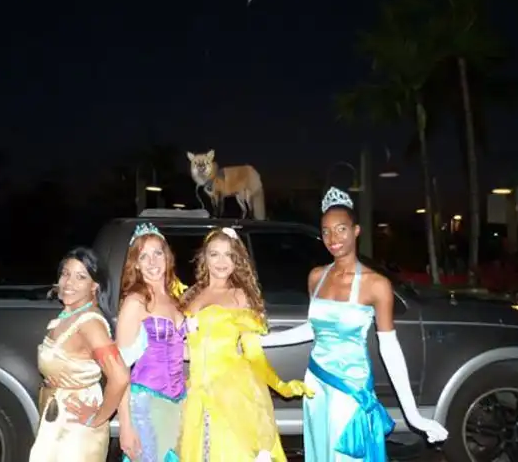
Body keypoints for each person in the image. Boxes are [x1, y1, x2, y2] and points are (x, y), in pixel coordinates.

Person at [262, 187, 448, 461]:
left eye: (341, 229)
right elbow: (315, 329)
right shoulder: (316, 277)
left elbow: (389, 348)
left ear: (356, 230)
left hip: (349, 389)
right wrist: (262, 340)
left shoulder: (376, 284)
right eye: (326, 231)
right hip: (315, 385)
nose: (333, 239)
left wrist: (413, 415)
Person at [178, 227, 313, 462]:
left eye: (229, 255)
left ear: (237, 261)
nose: (221, 262)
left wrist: (282, 386)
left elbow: (254, 354)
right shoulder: (191, 295)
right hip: (197, 392)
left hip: (231, 391)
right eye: (214, 254)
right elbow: (189, 350)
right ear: (204, 257)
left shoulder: (239, 296)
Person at [29, 247, 129, 462]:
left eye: (80, 277)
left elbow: (120, 376)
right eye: (65, 274)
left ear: (94, 286)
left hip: (75, 430)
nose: (68, 283)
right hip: (58, 420)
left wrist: (98, 418)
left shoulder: (90, 324)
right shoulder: (70, 314)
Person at [116, 222, 188, 462]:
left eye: (157, 253)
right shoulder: (135, 302)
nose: (152, 262)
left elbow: (180, 350)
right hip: (146, 405)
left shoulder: (176, 299)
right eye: (143, 256)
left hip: (179, 403)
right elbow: (119, 369)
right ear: (136, 263)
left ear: (167, 257)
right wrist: (126, 426)